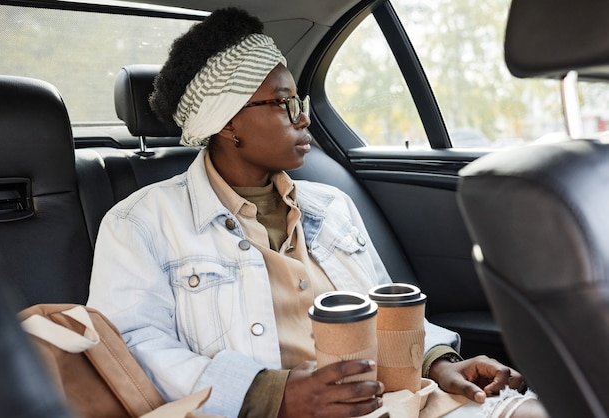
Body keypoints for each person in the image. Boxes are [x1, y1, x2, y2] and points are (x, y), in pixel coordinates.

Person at [87, 7, 547, 418]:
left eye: (300, 102)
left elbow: (386, 311)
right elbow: (133, 348)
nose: (303, 117)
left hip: (399, 401)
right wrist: (272, 395)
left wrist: (439, 363)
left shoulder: (331, 206)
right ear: (227, 122)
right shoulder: (139, 224)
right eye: (285, 103)